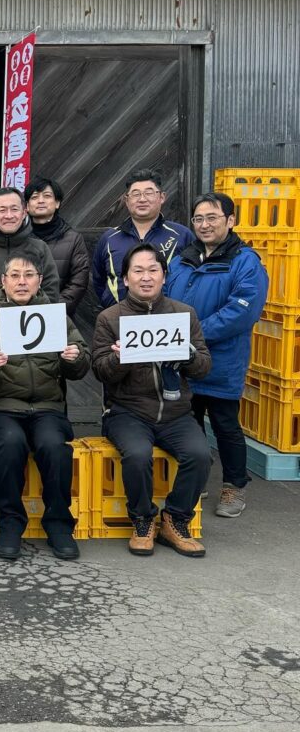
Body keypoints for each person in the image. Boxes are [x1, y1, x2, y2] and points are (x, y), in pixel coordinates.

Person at [0, 254, 90, 561]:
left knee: (54, 446)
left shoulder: (54, 315)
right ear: (3, 281)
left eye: (29, 275)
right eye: (15, 275)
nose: (22, 281)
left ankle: (59, 523)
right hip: (0, 407)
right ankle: (9, 521)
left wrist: (74, 357)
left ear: (40, 281)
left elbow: (81, 362)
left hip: (47, 406)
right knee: (10, 443)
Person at [93, 243, 212, 558]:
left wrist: (189, 354)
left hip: (176, 412)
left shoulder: (184, 314)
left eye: (153, 270)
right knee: (137, 454)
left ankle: (175, 518)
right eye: (137, 271)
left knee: (200, 455)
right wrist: (120, 358)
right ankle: (143, 519)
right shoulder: (110, 318)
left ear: (164, 276)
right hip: (127, 412)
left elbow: (203, 367)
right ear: (126, 279)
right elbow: (100, 372)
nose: (146, 277)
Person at [165, 192, 268, 518]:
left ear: (230, 220)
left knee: (225, 424)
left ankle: (234, 486)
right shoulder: (183, 258)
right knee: (187, 420)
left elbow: (241, 311)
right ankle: (197, 479)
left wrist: (192, 335)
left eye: (212, 217)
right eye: (198, 218)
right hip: (182, 358)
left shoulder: (245, 261)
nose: (205, 224)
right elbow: (166, 298)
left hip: (221, 359)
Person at [93, 167, 194, 309]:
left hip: (168, 319)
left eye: (149, 193)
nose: (142, 199)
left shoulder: (182, 235)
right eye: (135, 194)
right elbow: (99, 280)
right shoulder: (109, 239)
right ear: (127, 200)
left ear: (162, 197)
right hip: (119, 319)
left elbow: (194, 280)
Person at [0, 187, 60, 317]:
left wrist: (27, 321)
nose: (9, 216)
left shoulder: (40, 247)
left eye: (14, 209)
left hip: (33, 326)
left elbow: (50, 290)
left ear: (24, 213)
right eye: (2, 210)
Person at [24, 178, 90, 317]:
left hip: (60, 316)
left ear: (57, 203)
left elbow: (78, 282)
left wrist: (54, 309)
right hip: (21, 314)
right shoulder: (18, 239)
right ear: (27, 206)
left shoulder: (73, 239)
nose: (41, 200)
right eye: (35, 197)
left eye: (47, 196)